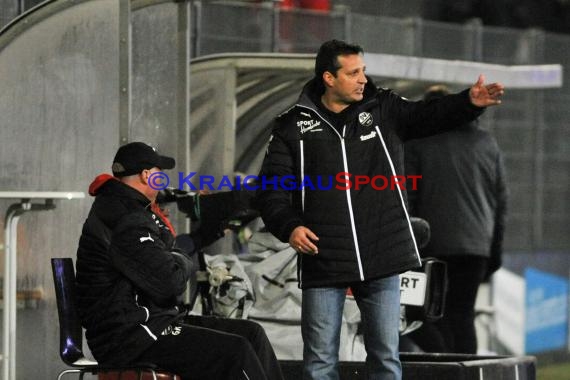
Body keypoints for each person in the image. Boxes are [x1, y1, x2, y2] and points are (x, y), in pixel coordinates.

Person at [255, 39, 504, 380]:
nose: (362, 79)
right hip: (324, 258)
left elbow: (428, 115)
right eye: (353, 72)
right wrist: (290, 227)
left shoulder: (383, 107)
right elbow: (271, 190)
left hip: (383, 255)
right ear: (329, 78)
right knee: (319, 364)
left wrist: (469, 103)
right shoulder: (291, 126)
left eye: (363, 71)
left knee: (386, 359)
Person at [75, 142, 284, 380]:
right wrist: (181, 257)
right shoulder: (125, 218)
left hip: (151, 323)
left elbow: (164, 257)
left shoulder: (129, 209)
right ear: (146, 175)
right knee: (236, 351)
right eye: (159, 173)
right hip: (131, 336)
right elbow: (171, 281)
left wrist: (201, 236)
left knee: (252, 333)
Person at [404, 85, 508, 354]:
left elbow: (407, 197)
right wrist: (494, 252)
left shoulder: (418, 143)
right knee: (462, 316)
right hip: (476, 248)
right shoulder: (487, 143)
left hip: (431, 246)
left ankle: (446, 366)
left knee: (419, 313)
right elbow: (500, 202)